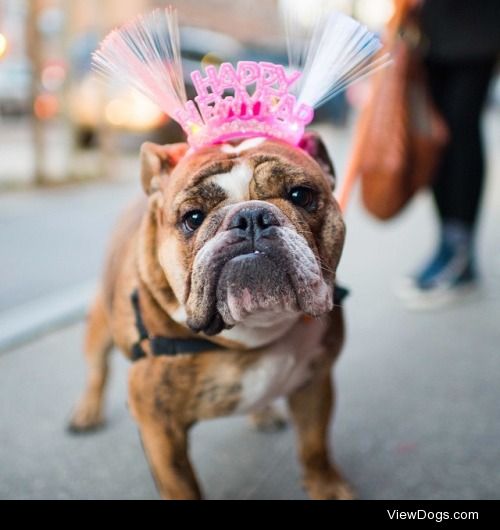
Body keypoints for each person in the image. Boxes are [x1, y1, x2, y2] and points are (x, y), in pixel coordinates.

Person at [400, 0, 500, 307]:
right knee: (437, 136)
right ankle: (447, 246)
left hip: (478, 22)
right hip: (434, 23)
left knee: (460, 127)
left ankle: (460, 252)